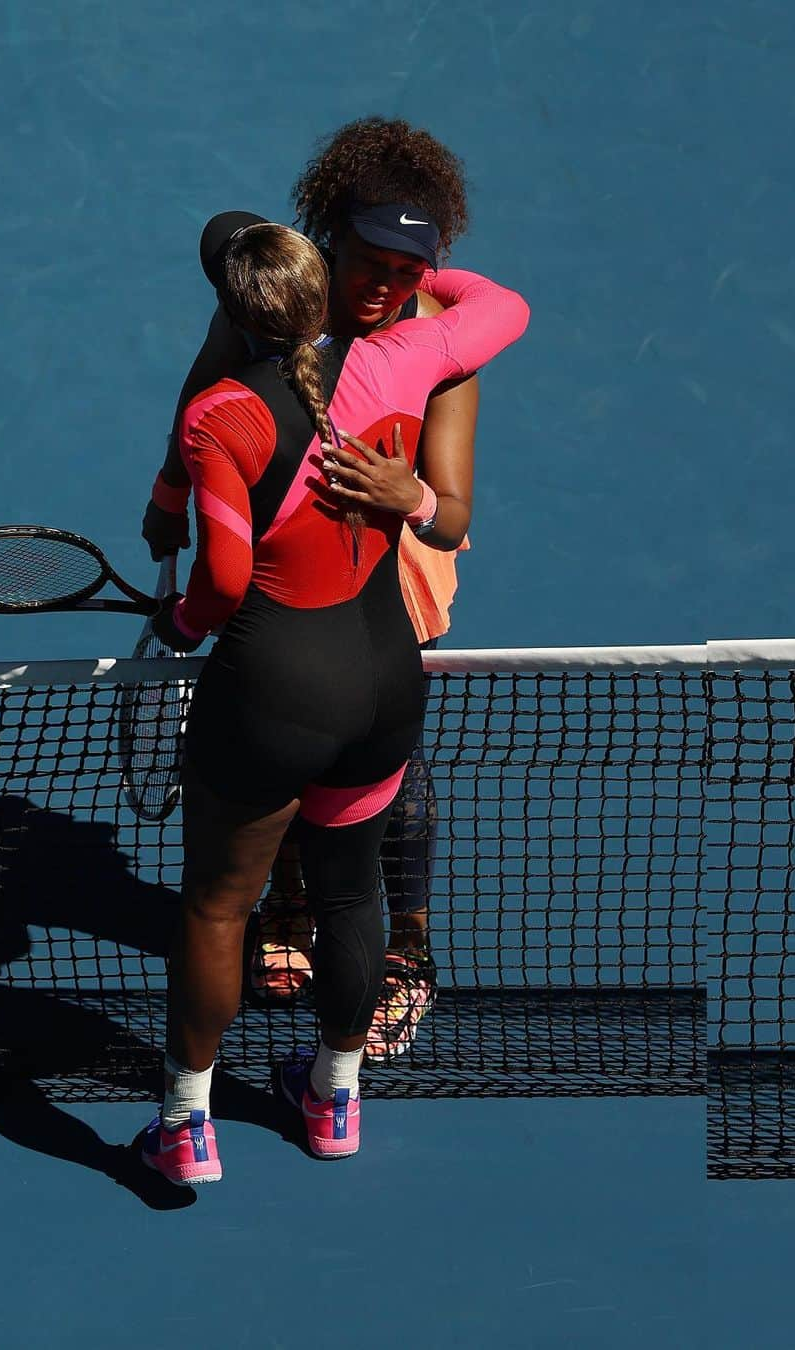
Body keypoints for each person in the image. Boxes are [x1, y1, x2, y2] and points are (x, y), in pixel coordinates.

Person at [139, 213, 528, 1184]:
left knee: (219, 905)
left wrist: (183, 627)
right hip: (385, 684)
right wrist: (424, 276)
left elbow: (224, 581)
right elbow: (496, 311)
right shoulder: (400, 365)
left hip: (272, 697)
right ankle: (334, 1101)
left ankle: (188, 1125)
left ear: (230, 314)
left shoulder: (220, 415)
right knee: (354, 891)